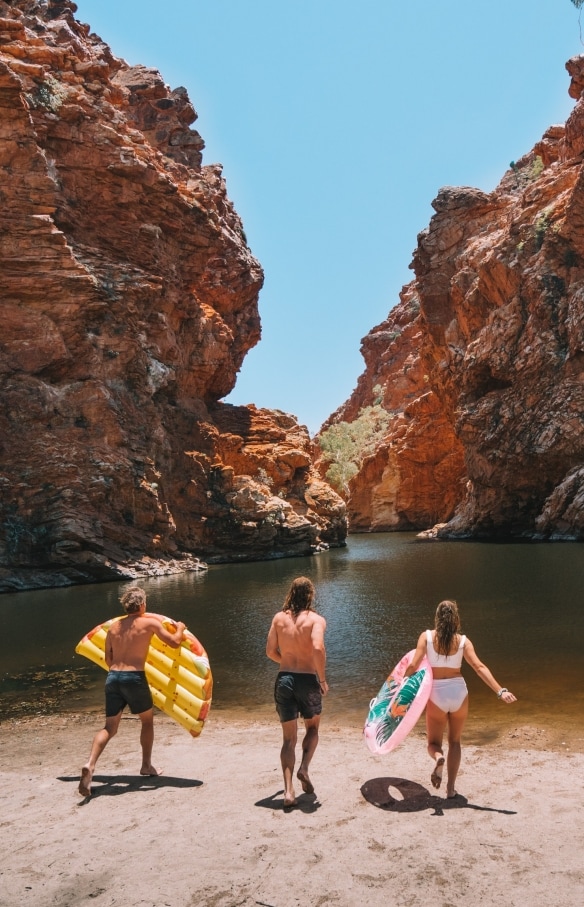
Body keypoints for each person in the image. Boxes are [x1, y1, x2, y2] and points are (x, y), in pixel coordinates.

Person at [78, 586, 185, 798]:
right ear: (143, 605)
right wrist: (180, 627)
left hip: (113, 678)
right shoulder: (150, 622)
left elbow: (108, 660)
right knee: (147, 721)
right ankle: (146, 766)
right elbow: (174, 643)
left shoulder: (114, 627)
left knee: (109, 727)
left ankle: (90, 764)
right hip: (134, 678)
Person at [404, 599, 516, 798]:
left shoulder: (426, 637)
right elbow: (479, 667)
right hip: (459, 693)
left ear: (437, 617)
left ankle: (438, 757)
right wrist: (500, 691)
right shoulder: (463, 641)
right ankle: (450, 789)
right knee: (455, 741)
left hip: (436, 694)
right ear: (456, 618)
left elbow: (413, 666)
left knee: (433, 743)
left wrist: (396, 687)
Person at [266, 576, 329, 808]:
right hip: (307, 680)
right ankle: (304, 768)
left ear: (290, 593)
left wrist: (287, 664)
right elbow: (317, 647)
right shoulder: (316, 620)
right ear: (311, 595)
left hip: (284, 680)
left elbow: (270, 651)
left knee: (288, 739)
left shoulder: (278, 619)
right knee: (312, 728)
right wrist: (321, 678)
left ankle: (289, 791)